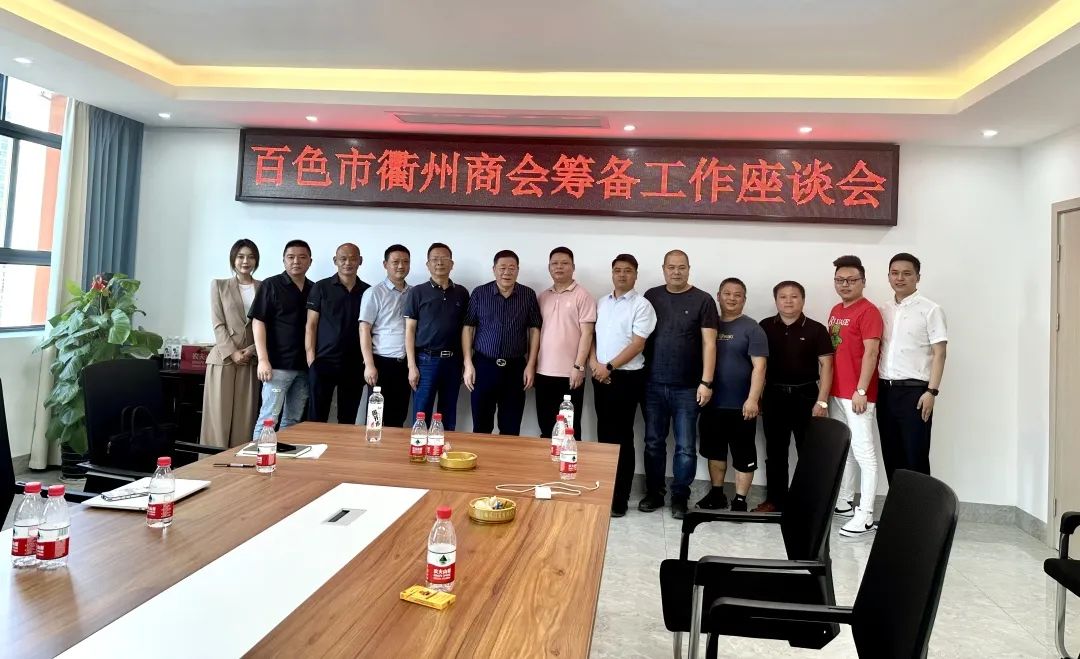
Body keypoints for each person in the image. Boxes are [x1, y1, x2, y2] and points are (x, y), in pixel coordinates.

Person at [640, 250, 719, 520]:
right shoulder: (651, 296)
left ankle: (680, 497)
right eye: (671, 267)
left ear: (689, 269)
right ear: (663, 269)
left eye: (681, 267)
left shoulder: (703, 300)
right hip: (652, 384)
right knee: (653, 442)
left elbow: (709, 343)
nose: (676, 272)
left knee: (685, 446)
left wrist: (706, 382)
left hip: (688, 387)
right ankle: (654, 492)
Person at [753, 280, 834, 513]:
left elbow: (827, 366)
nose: (788, 301)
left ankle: (807, 503)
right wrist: (757, 397)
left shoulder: (816, 329)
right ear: (776, 300)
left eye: (794, 296)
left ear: (803, 300)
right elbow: (759, 365)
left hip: (806, 396)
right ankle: (775, 501)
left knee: (808, 453)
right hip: (774, 396)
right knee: (775, 452)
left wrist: (822, 401)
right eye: (783, 297)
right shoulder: (764, 326)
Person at [590, 254, 656, 517]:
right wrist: (594, 364)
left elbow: (637, 345)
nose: (622, 275)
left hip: (627, 378)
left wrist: (609, 367)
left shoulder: (642, 306)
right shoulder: (602, 302)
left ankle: (620, 498)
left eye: (627, 271)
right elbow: (592, 337)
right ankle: (605, 492)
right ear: (612, 273)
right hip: (600, 376)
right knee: (604, 437)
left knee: (622, 439)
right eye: (617, 270)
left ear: (636, 275)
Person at [696, 278, 768, 512]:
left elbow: (760, 367)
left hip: (742, 405)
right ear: (718, 296)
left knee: (743, 453)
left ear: (744, 299)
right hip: (712, 403)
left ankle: (739, 501)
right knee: (714, 451)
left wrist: (753, 399)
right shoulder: (709, 325)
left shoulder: (752, 328)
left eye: (738, 295)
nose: (732, 298)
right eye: (727, 293)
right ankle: (717, 495)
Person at [877, 253, 948, 480]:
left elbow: (940, 353)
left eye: (907, 273)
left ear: (918, 277)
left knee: (915, 455)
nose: (900, 278)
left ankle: (920, 504)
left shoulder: (930, 309)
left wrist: (932, 392)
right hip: (884, 391)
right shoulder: (883, 309)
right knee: (891, 453)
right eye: (895, 273)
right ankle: (898, 503)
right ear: (889, 276)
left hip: (915, 393)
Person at [827, 254, 884, 538]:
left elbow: (871, 352)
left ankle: (866, 515)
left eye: (851, 280)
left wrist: (861, 390)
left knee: (865, 454)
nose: (845, 284)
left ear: (863, 281)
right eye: (840, 280)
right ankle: (845, 502)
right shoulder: (836, 309)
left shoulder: (869, 311)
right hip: (836, 392)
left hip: (858, 395)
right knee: (845, 448)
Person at [462, 249, 542, 436]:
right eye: (502, 267)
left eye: (512, 268)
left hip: (515, 368)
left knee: (511, 428)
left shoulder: (528, 295)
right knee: (481, 427)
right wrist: (468, 363)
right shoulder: (480, 293)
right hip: (483, 366)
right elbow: (468, 327)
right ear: (494, 270)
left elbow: (534, 329)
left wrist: (531, 365)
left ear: (518, 270)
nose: (507, 272)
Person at [249, 239, 314, 438]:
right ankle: (258, 455)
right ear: (283, 260)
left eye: (302, 257)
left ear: (310, 261)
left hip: (304, 367)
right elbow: (258, 321)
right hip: (277, 366)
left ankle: (284, 456)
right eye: (291, 257)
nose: (296, 261)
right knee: (268, 418)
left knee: (293, 421)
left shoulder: (314, 288)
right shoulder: (271, 284)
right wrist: (263, 359)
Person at [201, 239, 261, 448]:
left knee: (244, 421)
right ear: (233, 259)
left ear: (256, 260)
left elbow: (269, 326)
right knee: (218, 420)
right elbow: (218, 323)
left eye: (251, 257)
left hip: (250, 360)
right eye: (241, 256)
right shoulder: (219, 285)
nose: (246, 261)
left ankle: (240, 464)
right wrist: (233, 352)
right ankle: (211, 464)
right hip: (223, 359)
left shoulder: (264, 287)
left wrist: (252, 350)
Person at [404, 242, 470, 430]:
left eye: (444, 258)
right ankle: (419, 446)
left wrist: (466, 362)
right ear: (428, 264)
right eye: (435, 259)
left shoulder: (462, 293)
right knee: (421, 413)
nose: (439, 262)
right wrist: (411, 366)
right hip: (426, 361)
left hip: (453, 362)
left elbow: (466, 330)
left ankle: (444, 446)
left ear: (452, 264)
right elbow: (409, 330)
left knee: (448, 413)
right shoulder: (417, 292)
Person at [536, 247, 596, 438]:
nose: (559, 267)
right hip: (542, 372)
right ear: (549, 267)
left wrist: (578, 366)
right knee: (546, 427)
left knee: (569, 429)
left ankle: (570, 459)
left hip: (570, 374)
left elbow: (587, 334)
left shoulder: (583, 295)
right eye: (554, 263)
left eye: (564, 263)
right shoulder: (542, 297)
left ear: (573, 267)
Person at [305, 243, 369, 424]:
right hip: (323, 361)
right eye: (343, 258)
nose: (348, 263)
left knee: (348, 418)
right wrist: (311, 359)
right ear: (335, 261)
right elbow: (311, 325)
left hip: (354, 363)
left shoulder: (368, 291)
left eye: (353, 259)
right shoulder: (321, 287)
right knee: (317, 416)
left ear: (360, 261)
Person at [359, 244, 413, 428]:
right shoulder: (374, 293)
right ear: (385, 264)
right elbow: (364, 329)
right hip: (381, 363)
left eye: (405, 262)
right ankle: (372, 446)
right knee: (375, 418)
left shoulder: (414, 293)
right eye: (395, 262)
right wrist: (369, 365)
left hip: (405, 364)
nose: (401, 266)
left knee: (398, 417)